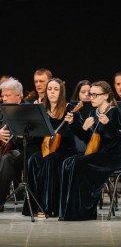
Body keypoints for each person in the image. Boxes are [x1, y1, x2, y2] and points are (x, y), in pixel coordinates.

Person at [58, 80, 121, 221]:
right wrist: (76, 125)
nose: (91, 98)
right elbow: (89, 140)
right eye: (90, 94)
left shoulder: (114, 113)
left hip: (111, 158)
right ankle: (67, 210)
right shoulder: (93, 112)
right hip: (97, 155)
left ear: (106, 96)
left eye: (95, 95)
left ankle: (81, 212)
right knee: (68, 162)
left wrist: (108, 125)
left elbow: (120, 139)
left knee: (79, 163)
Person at [22, 78, 80, 217]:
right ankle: (32, 206)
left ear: (61, 92)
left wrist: (71, 123)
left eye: (56, 89)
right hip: (47, 148)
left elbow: (75, 134)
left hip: (66, 150)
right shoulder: (42, 109)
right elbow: (38, 137)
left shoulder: (70, 108)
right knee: (33, 160)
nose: (52, 92)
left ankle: (46, 207)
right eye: (49, 89)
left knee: (50, 160)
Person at [0, 78, 40, 211]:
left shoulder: (29, 109)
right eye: (3, 95)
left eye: (7, 95)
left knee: (7, 159)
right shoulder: (2, 110)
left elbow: (36, 137)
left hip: (28, 149)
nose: (4, 98)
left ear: (18, 96)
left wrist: (20, 134)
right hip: (7, 149)